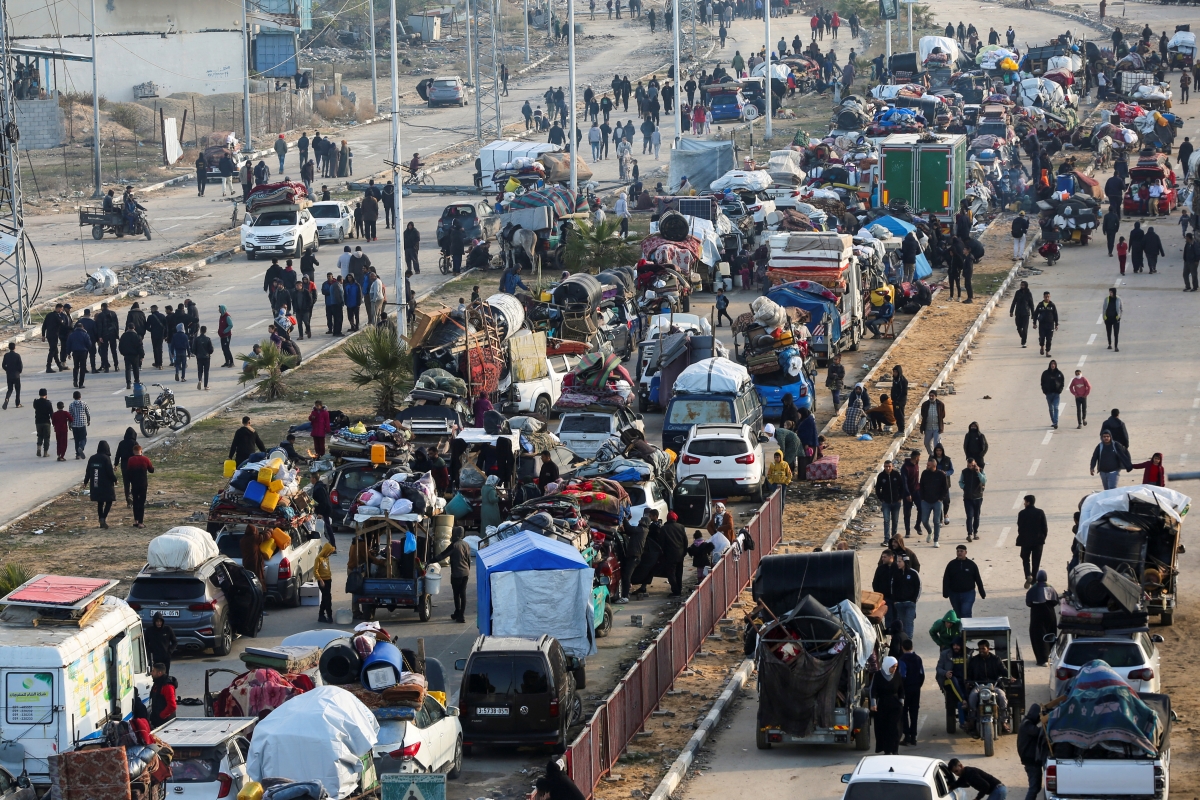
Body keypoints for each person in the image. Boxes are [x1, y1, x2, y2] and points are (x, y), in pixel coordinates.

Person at [964, 639, 1011, 734]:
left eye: (983, 648)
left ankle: (1003, 722)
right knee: (972, 696)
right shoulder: (973, 660)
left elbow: (1004, 671)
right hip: (978, 686)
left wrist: (1010, 677)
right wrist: (968, 681)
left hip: (994, 685)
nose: (981, 650)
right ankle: (972, 720)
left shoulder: (996, 659)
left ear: (988, 649)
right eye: (979, 649)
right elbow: (969, 674)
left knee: (1002, 697)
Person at [432, 526, 473, 622]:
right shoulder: (466, 544)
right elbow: (468, 559)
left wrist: (430, 561)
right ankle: (460, 614)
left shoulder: (454, 545)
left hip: (456, 574)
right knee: (463, 594)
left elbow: (442, 555)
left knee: (456, 594)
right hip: (465, 573)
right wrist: (468, 571)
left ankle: (459, 614)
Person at [870, 656, 905, 755]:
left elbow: (901, 689)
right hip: (883, 706)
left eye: (896, 667)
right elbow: (873, 691)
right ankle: (887, 750)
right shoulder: (878, 675)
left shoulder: (897, 675)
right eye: (892, 667)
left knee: (895, 729)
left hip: (895, 706)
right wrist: (873, 703)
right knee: (885, 729)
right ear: (887, 666)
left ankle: (895, 750)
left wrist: (901, 701)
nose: (894, 669)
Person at [1025, 570, 1059, 668]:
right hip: (1050, 614)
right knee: (1050, 633)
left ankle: (1042, 659)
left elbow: (1029, 603)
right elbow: (1055, 601)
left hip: (1037, 615)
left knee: (1038, 636)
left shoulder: (1033, 589)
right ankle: (1050, 656)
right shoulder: (1051, 587)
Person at [942, 544, 985, 618]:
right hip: (954, 594)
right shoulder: (951, 564)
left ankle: (967, 629)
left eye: (961, 551)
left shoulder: (971, 565)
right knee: (957, 614)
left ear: (966, 552)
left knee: (966, 612)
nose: (959, 553)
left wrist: (982, 592)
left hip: (968, 593)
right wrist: (945, 592)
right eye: (958, 551)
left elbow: (977, 578)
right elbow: (946, 579)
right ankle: (959, 629)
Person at [1015, 494, 1048, 588]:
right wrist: (1042, 538)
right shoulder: (1040, 512)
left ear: (1028, 502)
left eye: (1025, 502)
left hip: (1025, 541)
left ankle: (1028, 575)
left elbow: (1020, 527)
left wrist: (1022, 536)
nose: (1024, 504)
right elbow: (1044, 527)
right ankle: (1034, 581)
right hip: (1038, 541)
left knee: (1025, 559)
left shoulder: (1022, 513)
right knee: (1036, 561)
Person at [84, 440, 117, 528]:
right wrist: (115, 479)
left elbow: (88, 471)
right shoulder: (106, 458)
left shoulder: (92, 458)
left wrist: (85, 481)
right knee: (109, 501)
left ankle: (101, 519)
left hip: (96, 484)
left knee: (100, 502)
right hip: (106, 484)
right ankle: (103, 518)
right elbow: (110, 472)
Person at [1017, 704, 1046, 800]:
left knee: (1036, 787)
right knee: (1034, 788)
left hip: (1031, 760)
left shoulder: (1026, 723)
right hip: (1030, 760)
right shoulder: (1027, 724)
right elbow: (1038, 732)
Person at [888, 554, 921, 639]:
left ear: (905, 562)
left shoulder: (913, 573)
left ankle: (908, 641)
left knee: (909, 622)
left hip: (910, 603)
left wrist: (914, 600)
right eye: (897, 561)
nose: (897, 563)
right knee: (901, 623)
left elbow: (918, 587)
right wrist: (895, 600)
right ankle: (903, 641)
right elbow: (893, 587)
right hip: (899, 603)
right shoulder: (896, 573)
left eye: (900, 561)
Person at [899, 639, 924, 746]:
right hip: (916, 689)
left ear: (902, 647)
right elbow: (922, 674)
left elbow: (902, 675)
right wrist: (918, 685)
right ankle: (914, 737)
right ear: (912, 647)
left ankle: (907, 736)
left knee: (904, 712)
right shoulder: (918, 659)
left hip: (906, 690)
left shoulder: (902, 659)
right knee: (914, 712)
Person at [875, 460, 907, 544]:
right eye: (886, 466)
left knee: (895, 520)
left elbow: (902, 487)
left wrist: (900, 497)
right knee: (886, 520)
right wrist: (881, 498)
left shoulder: (896, 475)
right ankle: (886, 539)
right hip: (886, 503)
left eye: (889, 466)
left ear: (892, 466)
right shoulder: (881, 476)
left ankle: (894, 539)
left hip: (896, 502)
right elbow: (877, 489)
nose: (888, 468)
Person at [919, 457, 948, 546]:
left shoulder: (941, 474)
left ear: (934, 465)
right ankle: (930, 531)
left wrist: (941, 498)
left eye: (929, 465)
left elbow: (945, 488)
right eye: (927, 465)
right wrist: (922, 497)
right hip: (926, 501)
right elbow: (921, 486)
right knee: (924, 520)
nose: (927, 466)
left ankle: (936, 540)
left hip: (937, 501)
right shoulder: (924, 473)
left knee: (936, 521)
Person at [958, 459, 986, 543]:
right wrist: (964, 487)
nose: (971, 467)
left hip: (978, 497)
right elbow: (960, 482)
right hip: (968, 498)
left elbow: (984, 481)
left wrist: (978, 473)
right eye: (969, 465)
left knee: (976, 516)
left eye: (972, 465)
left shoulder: (980, 470)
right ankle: (969, 534)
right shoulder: (964, 472)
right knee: (969, 516)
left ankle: (975, 532)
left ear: (975, 464)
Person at [148, 664, 178, 728]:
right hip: (158, 721)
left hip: (166, 722)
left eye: (153, 671)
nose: (151, 673)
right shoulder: (157, 683)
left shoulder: (167, 686)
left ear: (159, 673)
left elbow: (172, 706)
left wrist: (161, 716)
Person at [312, 541, 335, 623]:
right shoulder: (318, 558)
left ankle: (321, 615)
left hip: (328, 580)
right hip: (323, 581)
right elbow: (315, 571)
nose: (329, 554)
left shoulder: (326, 558)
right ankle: (329, 616)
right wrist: (320, 580)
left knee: (325, 598)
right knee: (327, 598)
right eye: (329, 552)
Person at [1040, 359, 1065, 429]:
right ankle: (1053, 421)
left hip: (1056, 394)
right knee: (1051, 408)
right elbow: (1042, 382)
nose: (1053, 365)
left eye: (1054, 364)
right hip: (1048, 394)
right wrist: (1044, 391)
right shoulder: (1045, 373)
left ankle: (1055, 422)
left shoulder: (1059, 373)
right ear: (1050, 365)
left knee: (1056, 408)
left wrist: (1060, 390)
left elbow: (1062, 382)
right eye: (1052, 364)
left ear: (1056, 365)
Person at [1009, 280, 1034, 348]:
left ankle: (1023, 342)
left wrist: (1033, 314)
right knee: (1018, 327)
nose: (1022, 286)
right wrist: (1011, 311)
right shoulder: (1017, 293)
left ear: (1026, 286)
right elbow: (1014, 302)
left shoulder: (1028, 293)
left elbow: (1031, 304)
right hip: (1018, 313)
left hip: (1026, 313)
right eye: (1021, 285)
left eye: (1023, 285)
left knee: (1025, 328)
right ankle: (1023, 336)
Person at [919, 390, 946, 454]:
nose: (931, 397)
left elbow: (943, 415)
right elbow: (923, 414)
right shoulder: (925, 404)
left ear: (936, 396)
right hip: (928, 427)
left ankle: (937, 456)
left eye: (932, 396)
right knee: (927, 443)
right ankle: (932, 454)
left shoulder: (940, 404)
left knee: (937, 444)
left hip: (937, 427)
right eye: (930, 396)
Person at [1033, 291, 1058, 357]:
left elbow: (1055, 315)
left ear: (1050, 297)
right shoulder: (1040, 305)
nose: (1047, 298)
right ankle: (1042, 347)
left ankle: (1047, 351)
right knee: (1042, 338)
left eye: (1048, 297)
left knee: (1049, 339)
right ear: (1043, 297)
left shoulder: (1052, 305)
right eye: (1046, 297)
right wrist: (1034, 323)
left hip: (1050, 325)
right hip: (1042, 325)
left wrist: (1056, 324)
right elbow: (1035, 314)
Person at [69, 390, 90, 460]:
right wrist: (88, 420)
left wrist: (69, 424)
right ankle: (81, 447)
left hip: (74, 425)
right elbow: (88, 412)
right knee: (83, 438)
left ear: (73, 397)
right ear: (80, 397)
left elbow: (70, 415)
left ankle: (77, 455)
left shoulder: (71, 405)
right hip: (82, 424)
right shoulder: (84, 403)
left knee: (76, 439)